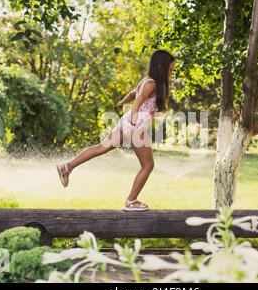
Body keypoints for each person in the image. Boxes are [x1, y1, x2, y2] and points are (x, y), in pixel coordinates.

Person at [56, 50, 176, 211]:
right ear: (161, 66)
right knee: (148, 165)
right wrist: (133, 116)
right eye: (170, 69)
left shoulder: (148, 82)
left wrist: (122, 101)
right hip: (135, 125)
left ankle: (67, 167)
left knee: (101, 147)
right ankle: (131, 201)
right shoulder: (152, 83)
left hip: (126, 122)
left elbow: (135, 93)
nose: (171, 72)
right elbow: (139, 99)